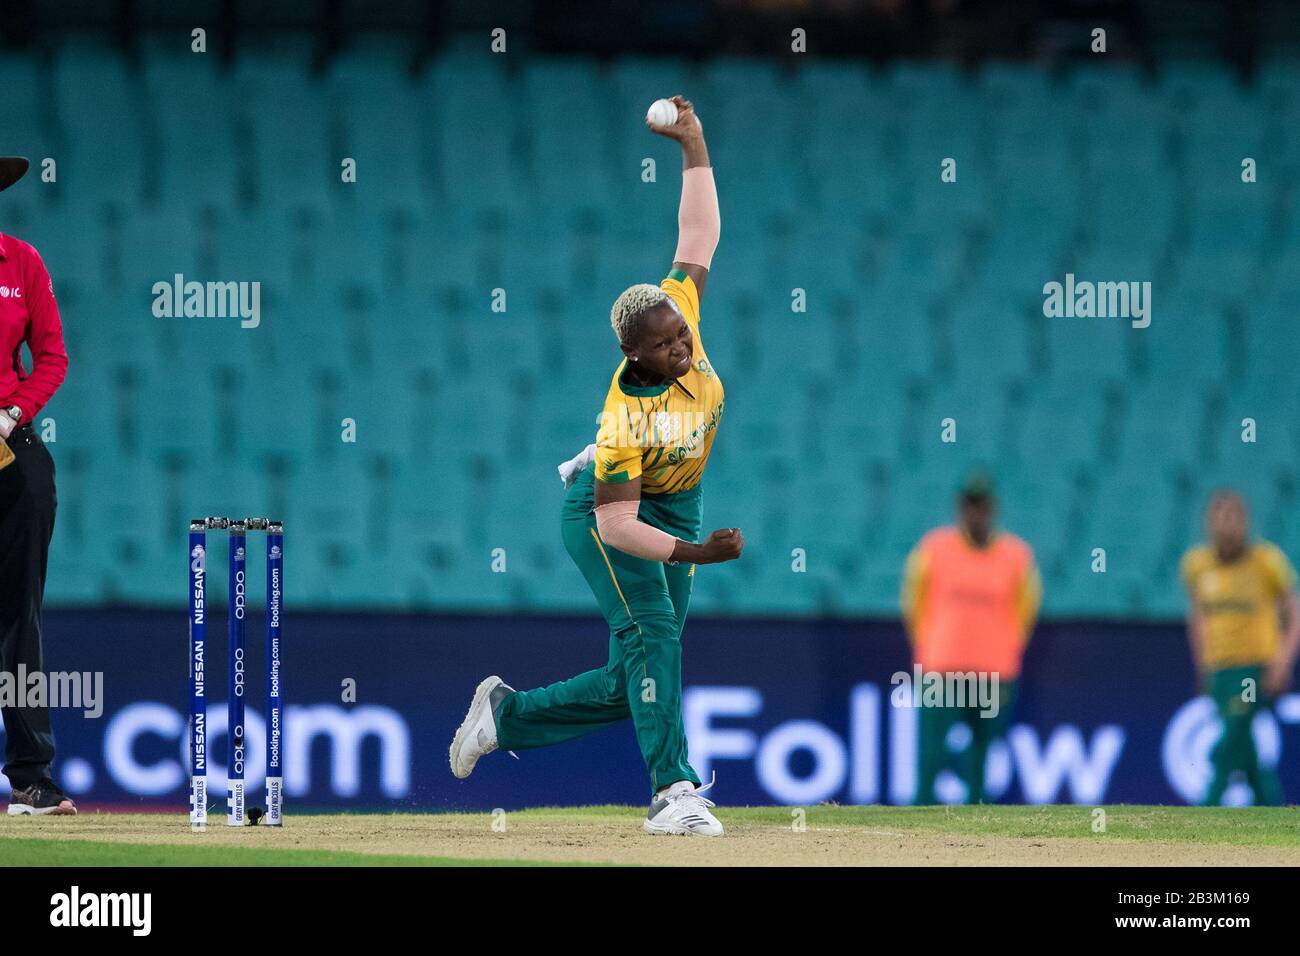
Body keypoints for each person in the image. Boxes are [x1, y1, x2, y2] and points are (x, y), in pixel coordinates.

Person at [449, 96, 742, 837]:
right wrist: (696, 553)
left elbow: (699, 231)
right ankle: (672, 793)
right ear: (633, 355)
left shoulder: (675, 306)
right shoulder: (623, 418)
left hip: (676, 506)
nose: (682, 347)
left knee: (632, 684)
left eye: (682, 334)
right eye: (667, 345)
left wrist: (694, 143)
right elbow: (616, 523)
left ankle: (506, 716)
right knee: (656, 636)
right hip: (609, 518)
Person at [0, 155, 74, 816]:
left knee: (17, 618)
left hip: (6, 450)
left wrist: (13, 412)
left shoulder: (20, 262)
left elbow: (53, 355)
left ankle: (30, 778)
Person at [901, 472, 1040, 804]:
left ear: (993, 508)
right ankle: (915, 837)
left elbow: (1026, 608)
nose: (976, 513)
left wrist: (1005, 649)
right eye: (970, 505)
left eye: (982, 505)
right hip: (943, 670)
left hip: (994, 672)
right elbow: (913, 602)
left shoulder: (1016, 555)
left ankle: (977, 841)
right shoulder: (934, 548)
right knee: (931, 757)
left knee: (981, 758)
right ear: (960, 507)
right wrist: (929, 647)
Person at [1181, 489, 1299, 806]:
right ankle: (1273, 815)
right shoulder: (1197, 565)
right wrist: (1203, 665)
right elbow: (1198, 619)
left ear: (1245, 522)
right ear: (1208, 523)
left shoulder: (1266, 562)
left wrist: (1283, 662)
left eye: (1232, 517)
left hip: (1254, 668)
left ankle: (1206, 811)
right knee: (1244, 746)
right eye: (1219, 517)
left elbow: (1294, 613)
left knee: (1230, 740)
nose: (1226, 525)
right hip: (1219, 668)